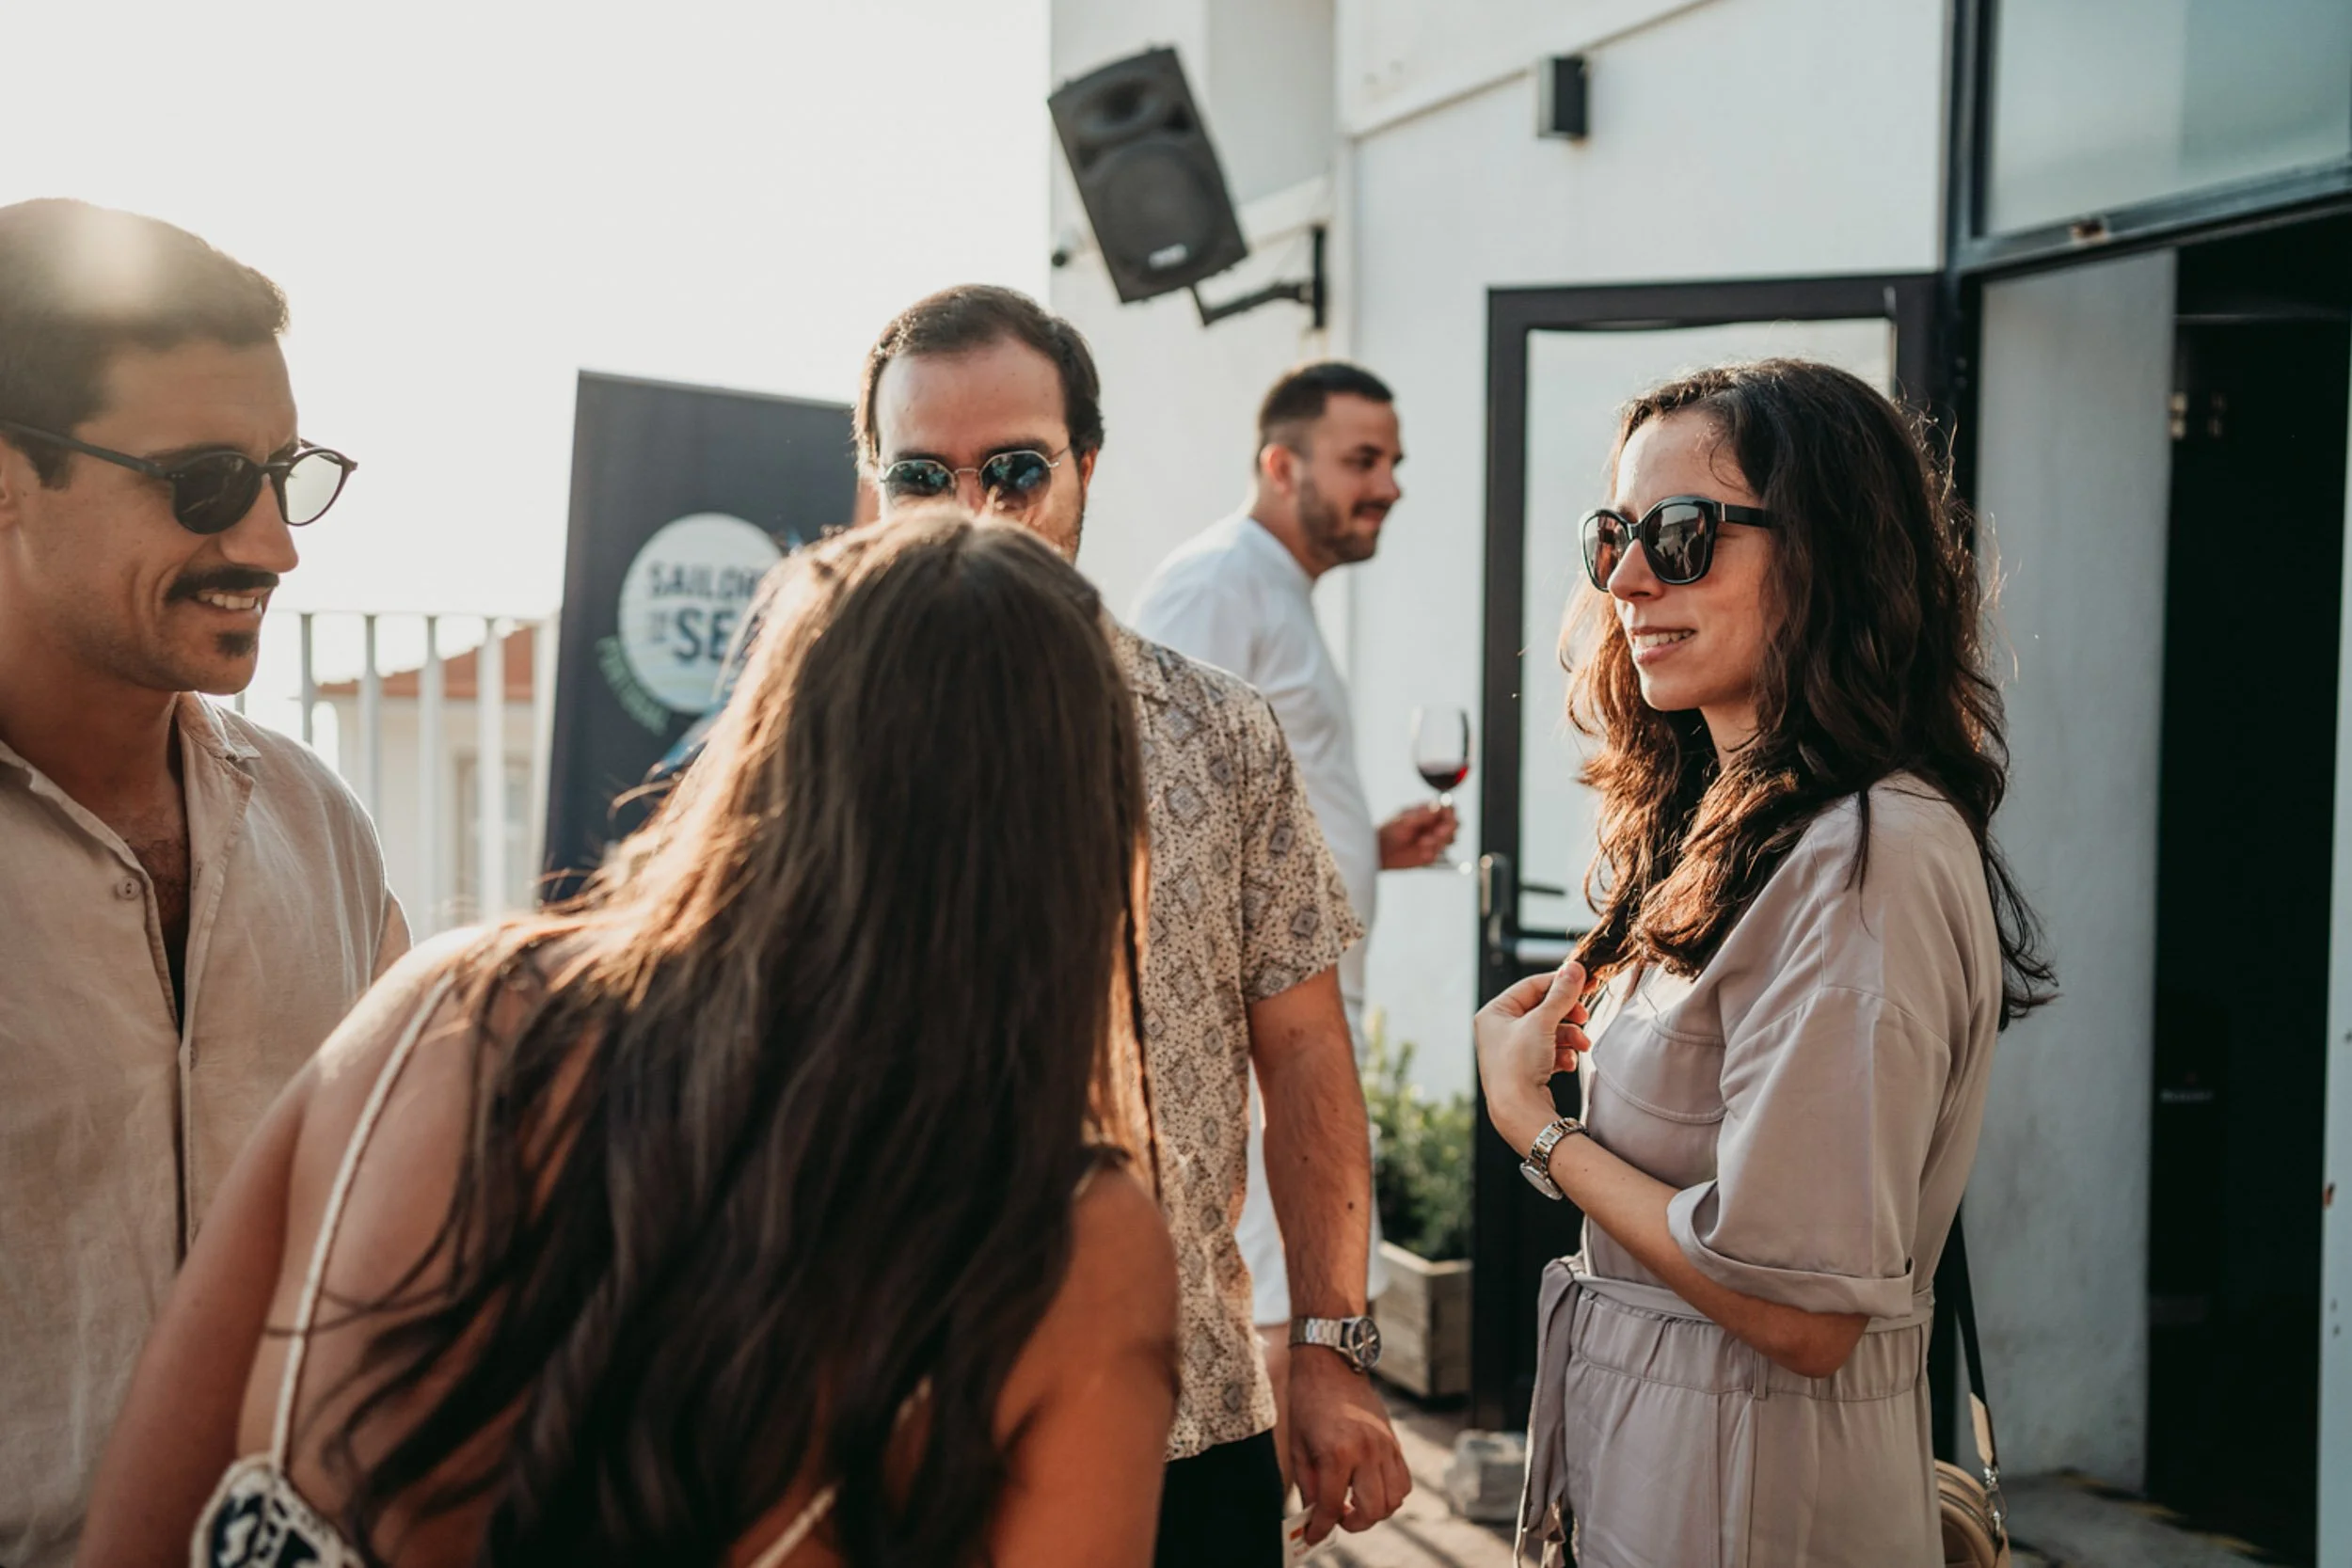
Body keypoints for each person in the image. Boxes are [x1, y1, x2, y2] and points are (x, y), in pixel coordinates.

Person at [80, 513, 1184, 1566]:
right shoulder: (1061, 1243)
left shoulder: (436, 1008)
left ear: (758, 748)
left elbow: (135, 1533)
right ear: (1080, 844)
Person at [857, 286, 1409, 1562]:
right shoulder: (796, 745)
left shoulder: (1218, 731)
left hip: (1188, 1419)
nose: (974, 510)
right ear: (872, 483)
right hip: (885, 1422)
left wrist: (1329, 1349)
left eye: (1014, 469)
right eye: (922, 475)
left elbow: (1308, 1052)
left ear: (1085, 466)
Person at [1472, 358, 2055, 1567]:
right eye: (1614, 535)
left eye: (1682, 536)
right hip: (1677, 1472)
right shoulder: (1744, 823)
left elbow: (1797, 1308)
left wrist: (1535, 1125)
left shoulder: (1866, 850)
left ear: (1830, 552)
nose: (1628, 578)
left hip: (1749, 1499)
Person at [0, 198, 402, 1568]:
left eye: (286, 473)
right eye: (206, 484)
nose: (274, 543)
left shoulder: (321, 827)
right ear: (6, 479)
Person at [1130, 360, 1454, 1465]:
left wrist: (1368, 852)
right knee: (1264, 1302)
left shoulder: (1272, 589)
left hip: (1301, 1020)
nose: (1390, 485)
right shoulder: (1222, 580)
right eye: (1364, 459)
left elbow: (1239, 809)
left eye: (1393, 461)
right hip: (1258, 1049)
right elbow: (1162, 807)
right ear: (1281, 464)